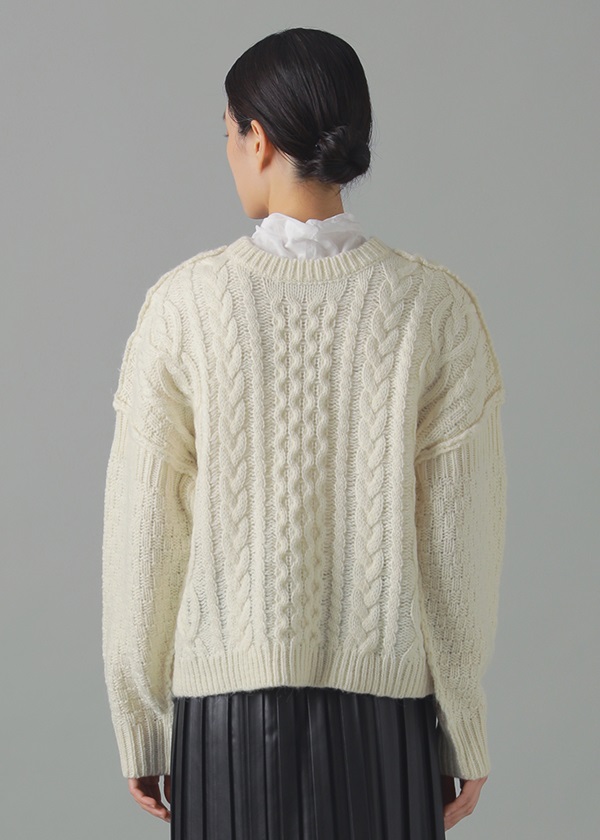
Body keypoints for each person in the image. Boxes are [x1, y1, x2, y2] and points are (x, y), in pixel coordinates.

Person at [101, 27, 507, 838]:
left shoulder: (183, 307)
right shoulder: (435, 309)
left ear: (257, 139)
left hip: (221, 720)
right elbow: (458, 544)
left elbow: (143, 533)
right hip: (387, 719)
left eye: (228, 134)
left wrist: (141, 721)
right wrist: (462, 721)